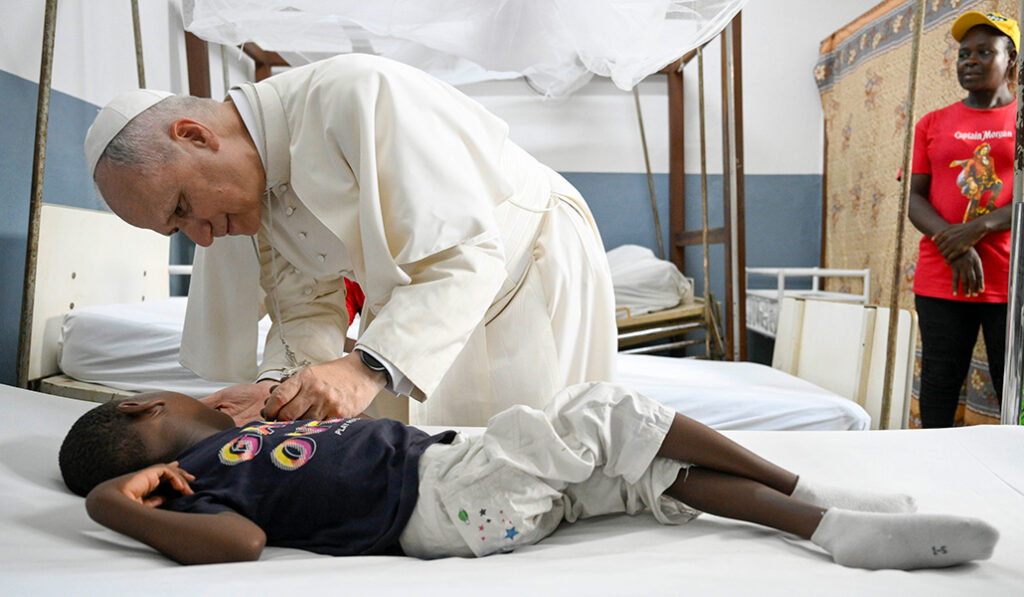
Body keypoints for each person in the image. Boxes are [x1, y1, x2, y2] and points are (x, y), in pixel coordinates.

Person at [84, 54, 617, 427]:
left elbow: (466, 255)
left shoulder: (359, 94)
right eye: (176, 229)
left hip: (528, 265)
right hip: (429, 309)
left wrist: (364, 368)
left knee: (543, 456)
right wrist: (277, 393)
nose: (200, 238)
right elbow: (305, 304)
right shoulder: (251, 194)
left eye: (181, 208)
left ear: (196, 136)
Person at [59, 385, 998, 569]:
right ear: (145, 410)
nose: (215, 405)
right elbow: (244, 544)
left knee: (647, 471)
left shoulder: (226, 456)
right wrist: (116, 507)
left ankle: (838, 534)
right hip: (443, 499)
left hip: (465, 494)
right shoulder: (201, 475)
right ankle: (815, 493)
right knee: (611, 413)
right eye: (177, 398)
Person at [908, 11, 1018, 428]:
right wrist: (951, 246)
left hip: (1009, 279)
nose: (969, 61)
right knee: (939, 382)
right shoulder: (932, 124)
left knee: (1010, 383)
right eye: (963, 54)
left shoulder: (1020, 122)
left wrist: (975, 229)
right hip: (942, 276)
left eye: (984, 52)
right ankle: (934, 475)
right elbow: (916, 201)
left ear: (1010, 60)